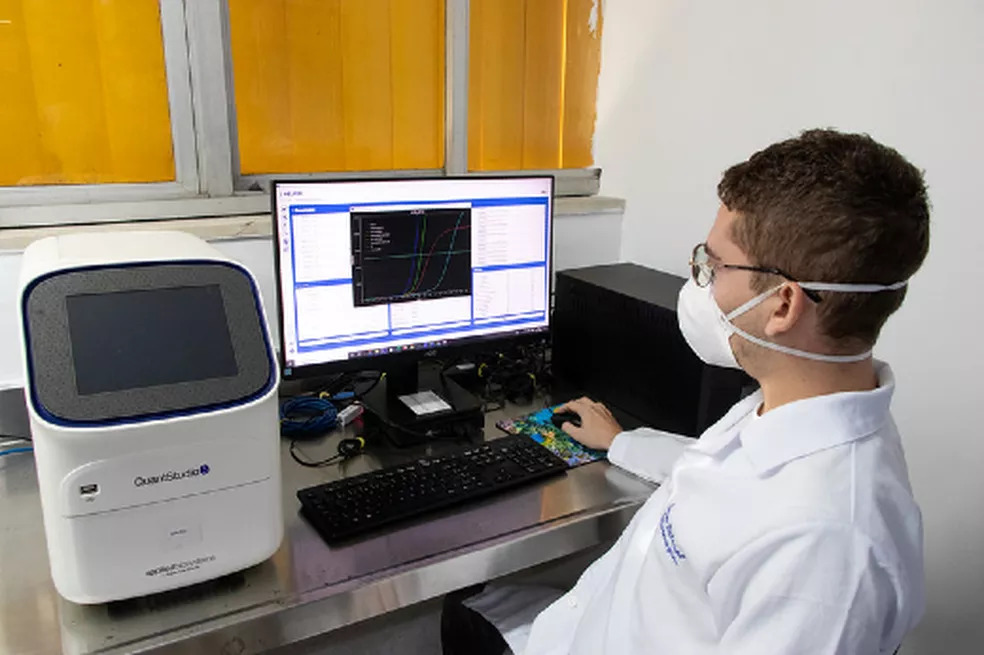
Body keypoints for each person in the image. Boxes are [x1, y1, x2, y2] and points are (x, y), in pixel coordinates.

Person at [442, 129, 929, 655]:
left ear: (783, 306)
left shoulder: (827, 551)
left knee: (459, 615)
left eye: (714, 266)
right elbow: (721, 475)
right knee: (465, 606)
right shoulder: (798, 403)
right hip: (590, 628)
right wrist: (621, 442)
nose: (700, 283)